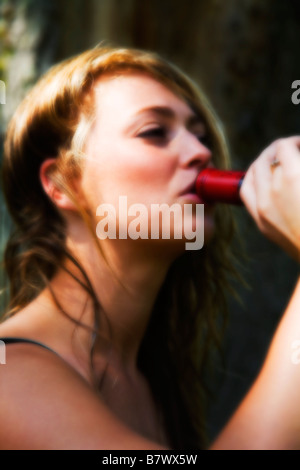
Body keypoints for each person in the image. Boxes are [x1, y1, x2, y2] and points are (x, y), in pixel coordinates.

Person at [0, 46, 299, 450]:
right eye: (154, 132)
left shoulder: (149, 379)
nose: (202, 152)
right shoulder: (11, 375)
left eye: (200, 134)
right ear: (62, 182)